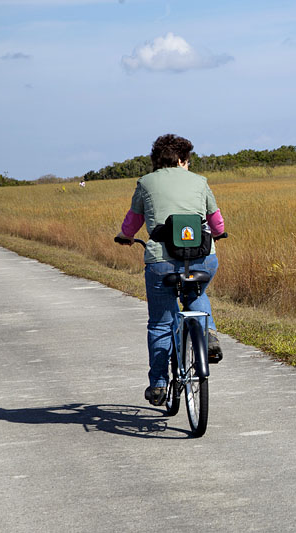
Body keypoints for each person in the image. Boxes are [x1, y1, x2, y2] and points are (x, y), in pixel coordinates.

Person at [116, 134, 225, 406]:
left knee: (161, 323)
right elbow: (216, 220)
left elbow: (133, 220)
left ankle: (159, 384)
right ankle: (208, 332)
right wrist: (220, 233)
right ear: (181, 159)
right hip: (202, 257)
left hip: (161, 262)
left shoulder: (145, 183)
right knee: (196, 292)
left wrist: (126, 236)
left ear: (157, 160)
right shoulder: (200, 182)